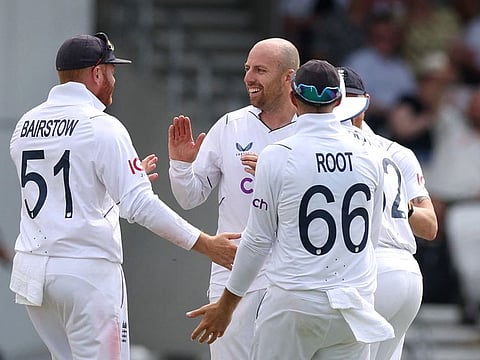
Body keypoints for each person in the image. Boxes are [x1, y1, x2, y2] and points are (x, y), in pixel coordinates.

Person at [9, 32, 239, 360]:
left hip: (33, 275)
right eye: (112, 72)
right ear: (97, 73)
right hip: (86, 274)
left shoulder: (25, 125)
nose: (115, 80)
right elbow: (140, 204)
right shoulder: (102, 125)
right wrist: (206, 244)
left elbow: (66, 195)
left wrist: (117, 183)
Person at [186, 60, 394, 360]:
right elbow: (370, 241)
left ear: (293, 98)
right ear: (338, 101)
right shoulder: (371, 156)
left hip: (295, 303)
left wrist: (226, 305)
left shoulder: (278, 156)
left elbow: (257, 240)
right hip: (354, 304)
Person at [168, 37, 300, 359]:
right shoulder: (230, 125)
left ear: (288, 77)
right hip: (232, 273)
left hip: (289, 276)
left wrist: (276, 177)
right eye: (246, 69)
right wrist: (181, 166)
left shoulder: (308, 132)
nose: (248, 78)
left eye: (260, 70)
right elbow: (190, 197)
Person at [339, 66, 437, 359]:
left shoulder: (332, 150)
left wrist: (394, 204)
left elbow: (429, 225)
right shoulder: (394, 151)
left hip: (369, 269)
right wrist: (396, 202)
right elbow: (429, 226)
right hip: (406, 276)